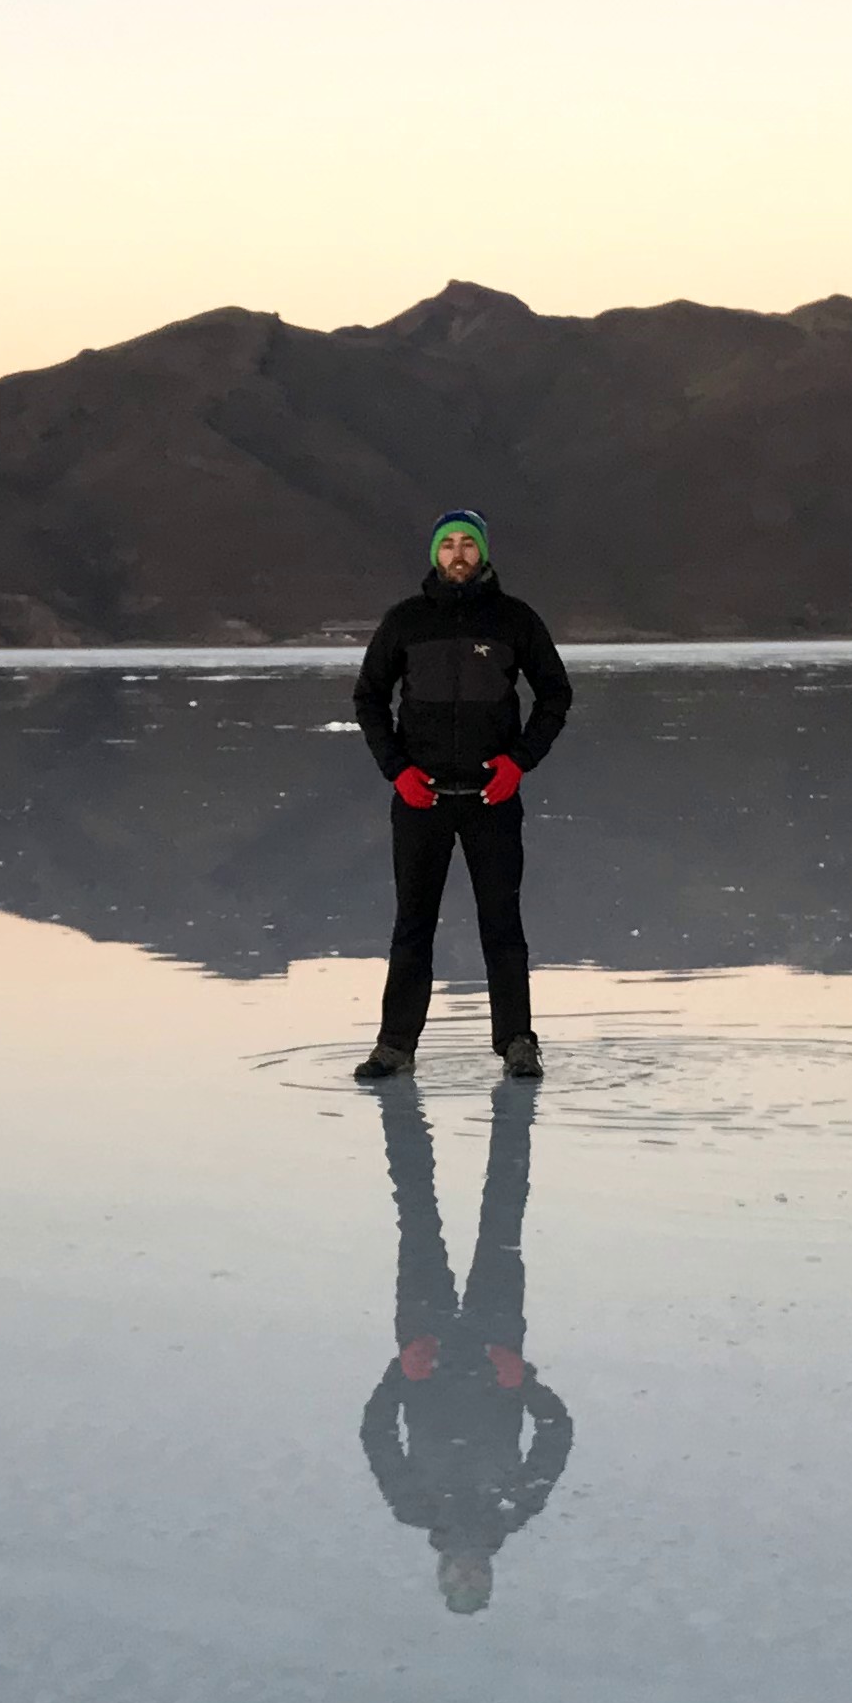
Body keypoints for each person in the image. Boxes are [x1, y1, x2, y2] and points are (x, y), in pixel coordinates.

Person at [349, 509, 573, 1082]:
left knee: (502, 923)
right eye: (447, 545)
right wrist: (396, 769)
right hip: (420, 798)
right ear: (434, 555)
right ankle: (395, 1045)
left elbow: (555, 694)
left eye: (467, 546)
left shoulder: (513, 620)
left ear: (482, 554)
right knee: (412, 924)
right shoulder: (406, 622)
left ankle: (518, 1042)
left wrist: (518, 762)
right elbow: (369, 697)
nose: (457, 554)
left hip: (491, 800)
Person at [357, 1074, 571, 1613]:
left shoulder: (412, 1506)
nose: (468, 1571)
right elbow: (555, 1431)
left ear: (443, 1572)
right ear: (490, 1575)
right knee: (505, 1211)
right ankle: (513, 1113)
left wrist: (399, 1370)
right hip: (496, 1341)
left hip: (422, 1342)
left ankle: (402, 1113)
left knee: (416, 1217)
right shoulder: (515, 1507)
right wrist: (523, 1380)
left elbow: (377, 1430)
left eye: (460, 1580)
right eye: (478, 1581)